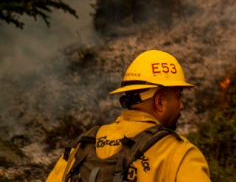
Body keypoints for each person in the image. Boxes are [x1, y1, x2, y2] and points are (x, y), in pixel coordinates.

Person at [46, 49, 210, 182]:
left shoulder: (82, 147)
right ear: (159, 101)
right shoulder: (180, 155)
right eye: (178, 96)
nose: (182, 105)